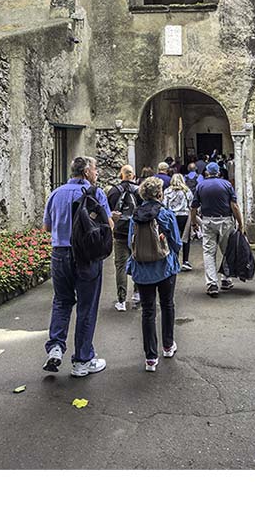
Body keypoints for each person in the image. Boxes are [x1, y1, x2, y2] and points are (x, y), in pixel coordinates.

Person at [42, 155, 113, 377]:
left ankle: (55, 347)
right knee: (86, 307)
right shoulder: (96, 193)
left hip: (60, 254)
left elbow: (46, 227)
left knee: (62, 302)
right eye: (94, 169)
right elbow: (108, 224)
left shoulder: (56, 193)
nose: (97, 173)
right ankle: (82, 360)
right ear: (86, 173)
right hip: (86, 257)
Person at [126, 176, 181, 372]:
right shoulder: (165, 214)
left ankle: (150, 358)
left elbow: (129, 243)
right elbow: (176, 242)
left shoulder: (135, 215)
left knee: (148, 311)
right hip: (164, 266)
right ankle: (167, 345)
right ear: (159, 194)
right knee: (167, 305)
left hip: (142, 269)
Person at [190, 161, 244, 298]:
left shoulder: (200, 185)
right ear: (219, 172)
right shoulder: (226, 184)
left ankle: (212, 284)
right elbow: (234, 206)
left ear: (207, 172)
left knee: (209, 252)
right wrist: (240, 223)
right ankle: (226, 279)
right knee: (227, 250)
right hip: (225, 220)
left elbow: (194, 207)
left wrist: (193, 223)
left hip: (208, 221)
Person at [106, 165, 142, 311]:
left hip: (120, 232)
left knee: (120, 265)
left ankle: (121, 300)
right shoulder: (140, 191)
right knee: (138, 261)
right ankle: (137, 293)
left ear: (121, 175)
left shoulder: (113, 191)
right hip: (136, 232)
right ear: (133, 176)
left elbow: (107, 211)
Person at [163, 173, 194, 271]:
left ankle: (174, 259)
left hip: (172, 216)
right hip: (184, 216)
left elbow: (164, 204)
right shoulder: (186, 191)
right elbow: (191, 203)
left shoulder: (167, 191)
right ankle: (185, 261)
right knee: (186, 238)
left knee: (172, 238)